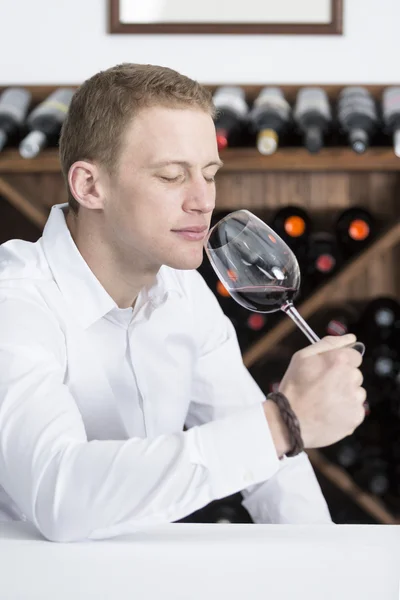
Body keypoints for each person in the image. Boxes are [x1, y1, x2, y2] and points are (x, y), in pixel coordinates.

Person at [0, 63, 366, 542]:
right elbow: (59, 494)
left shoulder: (183, 290)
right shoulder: (16, 301)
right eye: (172, 176)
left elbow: (271, 469)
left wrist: (324, 559)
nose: (203, 200)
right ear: (89, 186)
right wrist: (281, 424)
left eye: (209, 174)